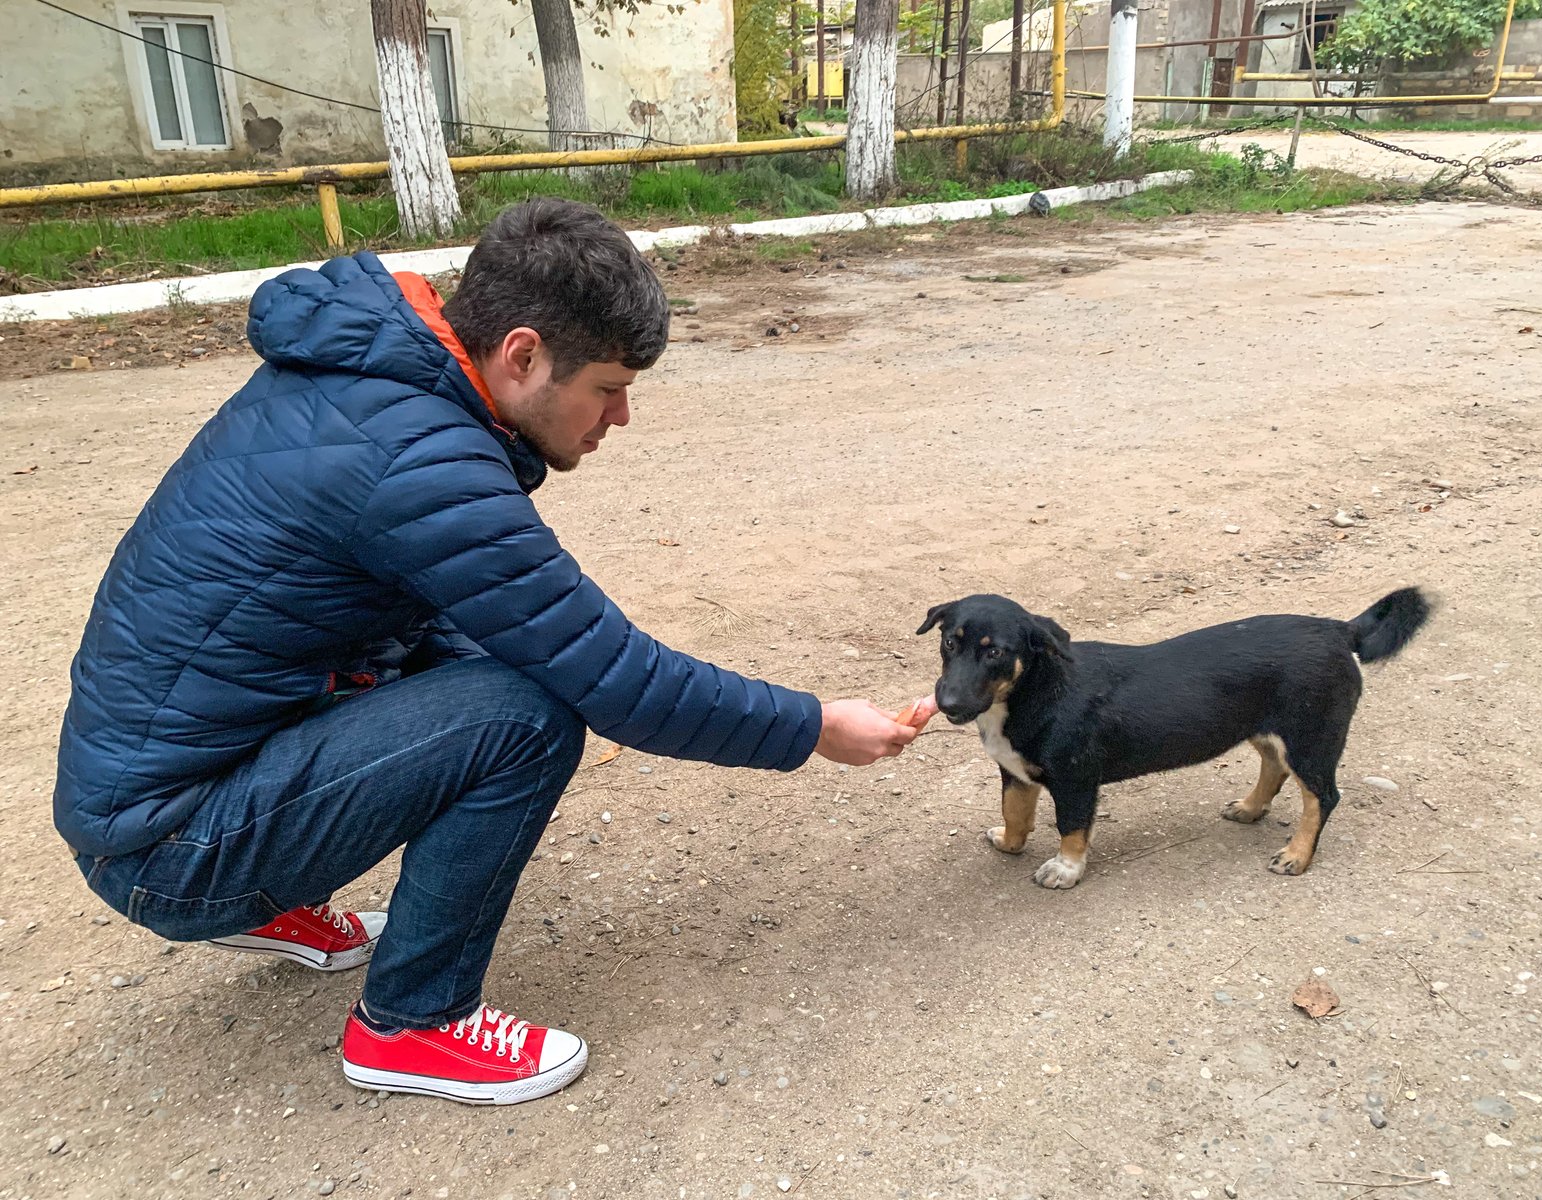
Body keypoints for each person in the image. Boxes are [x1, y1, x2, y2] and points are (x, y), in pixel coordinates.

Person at [54, 198, 916, 1107]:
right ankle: (412, 1022)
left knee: (492, 662)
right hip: (166, 850)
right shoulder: (420, 460)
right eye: (610, 386)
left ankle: (271, 895)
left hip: (150, 795)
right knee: (528, 717)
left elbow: (455, 621)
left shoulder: (371, 383)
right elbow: (615, 675)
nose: (621, 416)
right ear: (523, 354)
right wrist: (813, 726)